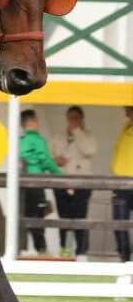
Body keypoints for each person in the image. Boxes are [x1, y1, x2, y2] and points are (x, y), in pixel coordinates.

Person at [50, 106, 97, 258]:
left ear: (82, 119)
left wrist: (77, 132)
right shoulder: (59, 136)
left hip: (82, 183)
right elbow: (50, 155)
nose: (73, 120)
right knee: (63, 217)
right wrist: (55, 160)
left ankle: (82, 251)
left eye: (76, 117)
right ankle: (64, 250)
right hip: (62, 183)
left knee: (80, 218)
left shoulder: (89, 136)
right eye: (70, 117)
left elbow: (90, 150)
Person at [20, 110, 59, 256]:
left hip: (23, 184)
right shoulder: (38, 140)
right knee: (38, 215)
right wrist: (60, 175)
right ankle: (41, 249)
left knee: (25, 214)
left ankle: (26, 248)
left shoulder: (20, 141)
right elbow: (46, 160)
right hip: (36, 182)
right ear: (32, 122)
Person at [111, 106, 133, 262]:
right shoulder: (126, 126)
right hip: (121, 183)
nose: (125, 110)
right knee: (119, 221)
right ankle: (124, 255)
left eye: (128, 108)